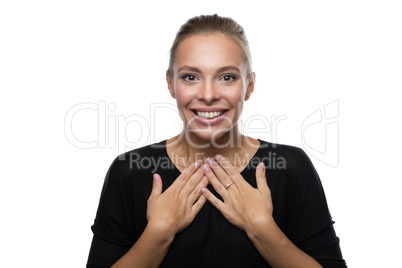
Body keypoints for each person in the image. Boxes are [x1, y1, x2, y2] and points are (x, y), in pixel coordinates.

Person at [87, 14, 347, 268]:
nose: (208, 95)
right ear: (170, 83)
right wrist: (158, 232)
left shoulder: (291, 168)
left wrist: (262, 227)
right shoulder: (129, 171)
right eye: (190, 76)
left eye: (227, 77)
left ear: (249, 86)